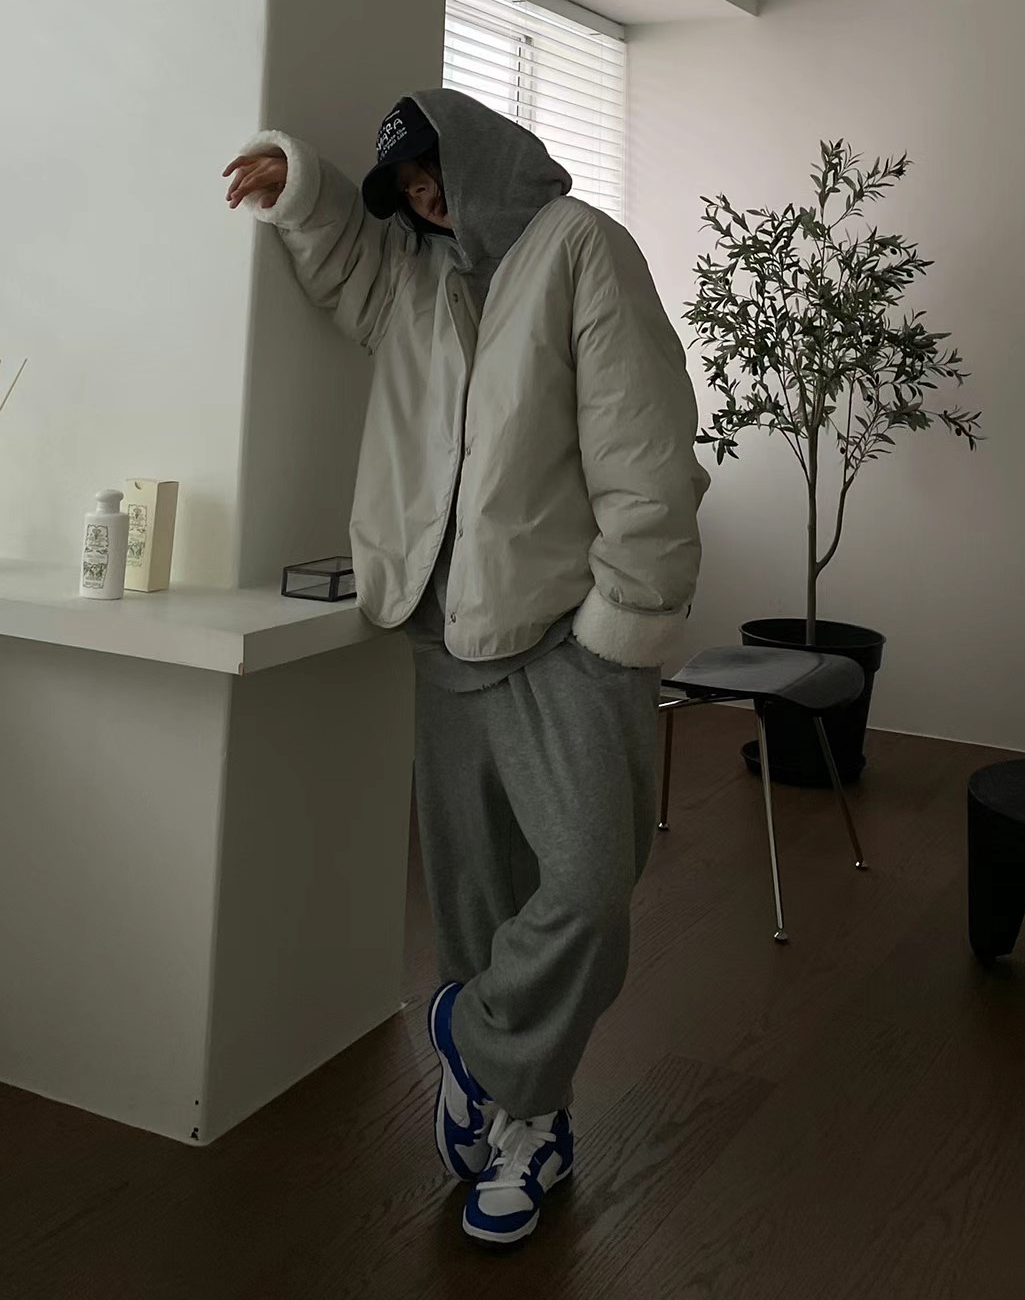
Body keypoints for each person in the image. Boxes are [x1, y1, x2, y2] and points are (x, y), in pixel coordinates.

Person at [223, 90, 709, 1246]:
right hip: (443, 634)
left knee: (589, 883)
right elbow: (347, 266)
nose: (427, 200)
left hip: (567, 639)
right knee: (478, 904)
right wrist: (300, 189)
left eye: (436, 175)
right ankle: (530, 1125)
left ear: (486, 154)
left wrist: (620, 620)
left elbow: (647, 448)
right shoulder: (418, 274)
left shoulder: (581, 248)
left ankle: (470, 1036)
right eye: (409, 192)